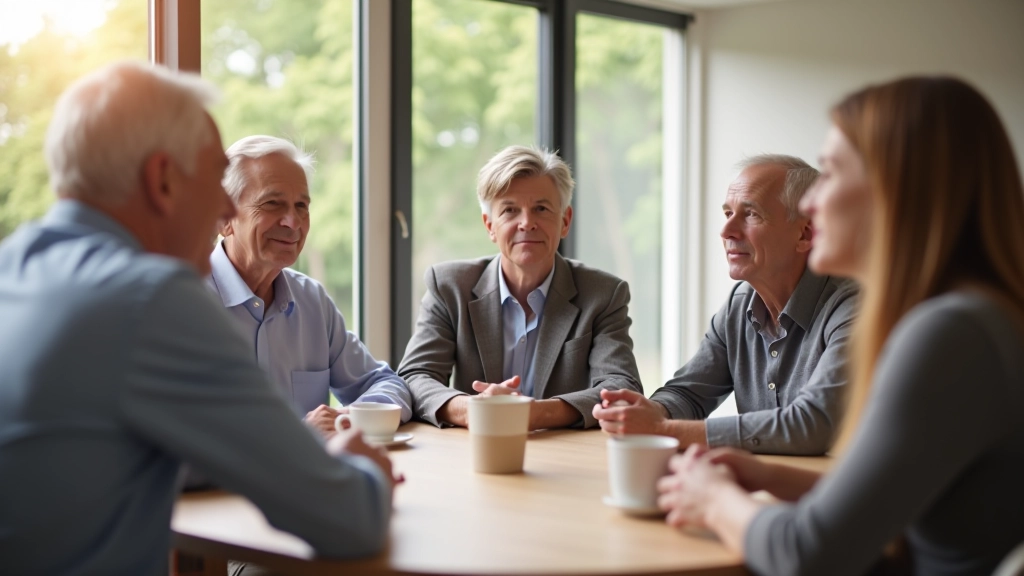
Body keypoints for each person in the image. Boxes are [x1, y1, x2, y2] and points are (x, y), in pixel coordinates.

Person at [0, 62, 396, 575]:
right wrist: (362, 465)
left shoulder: (15, 265)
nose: (223, 205)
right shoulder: (149, 299)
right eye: (214, 177)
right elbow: (350, 518)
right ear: (163, 180)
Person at [657, 77, 1024, 576]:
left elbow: (808, 555)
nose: (810, 204)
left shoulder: (950, 334)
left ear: (897, 188)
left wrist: (714, 499)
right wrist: (768, 474)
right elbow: (897, 498)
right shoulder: (973, 318)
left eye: (830, 173)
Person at [594, 155, 857, 455]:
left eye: (751, 214)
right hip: (760, 486)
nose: (726, 231)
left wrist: (662, 429)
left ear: (805, 234)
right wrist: (651, 411)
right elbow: (689, 393)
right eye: (728, 213)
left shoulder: (852, 308)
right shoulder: (740, 303)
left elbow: (813, 425)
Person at [398, 145, 643, 430]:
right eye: (510, 210)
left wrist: (534, 414)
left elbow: (622, 387)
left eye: (541, 208)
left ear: (564, 221)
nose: (527, 223)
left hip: (565, 455)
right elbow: (414, 377)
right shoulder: (450, 287)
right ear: (490, 225)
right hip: (473, 451)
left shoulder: (603, 295)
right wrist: (471, 410)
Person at [210, 135, 411, 436]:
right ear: (224, 218)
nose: (293, 221)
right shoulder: (182, 303)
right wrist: (295, 437)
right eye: (272, 204)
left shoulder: (311, 301)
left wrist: (349, 418)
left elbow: (387, 385)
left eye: (302, 205)